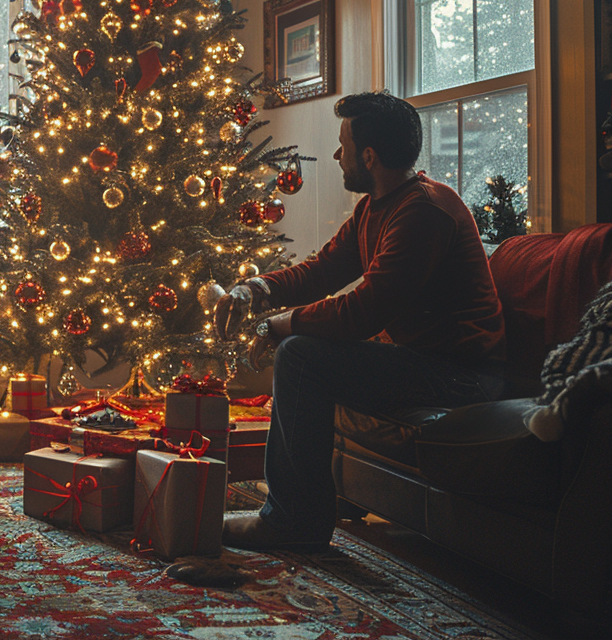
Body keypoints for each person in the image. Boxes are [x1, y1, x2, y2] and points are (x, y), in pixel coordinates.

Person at [213, 91, 507, 550]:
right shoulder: (377, 204)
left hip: (462, 375)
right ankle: (309, 506)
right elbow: (324, 270)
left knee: (301, 356)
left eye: (342, 145)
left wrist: (277, 326)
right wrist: (256, 290)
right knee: (303, 354)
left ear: (368, 157)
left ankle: (292, 522)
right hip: (420, 359)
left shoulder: (423, 212)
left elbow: (363, 312)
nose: (336, 155)